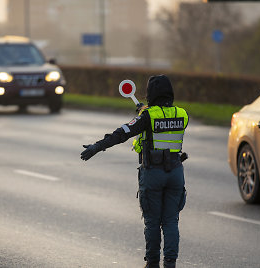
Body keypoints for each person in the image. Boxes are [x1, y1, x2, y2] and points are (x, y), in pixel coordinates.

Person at [80, 75, 188, 268]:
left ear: (151, 94)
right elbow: (162, 117)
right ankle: (170, 264)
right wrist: (145, 113)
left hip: (153, 173)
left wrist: (97, 146)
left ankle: (152, 263)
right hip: (176, 173)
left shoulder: (147, 117)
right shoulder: (182, 114)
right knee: (171, 221)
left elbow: (123, 133)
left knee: (153, 222)